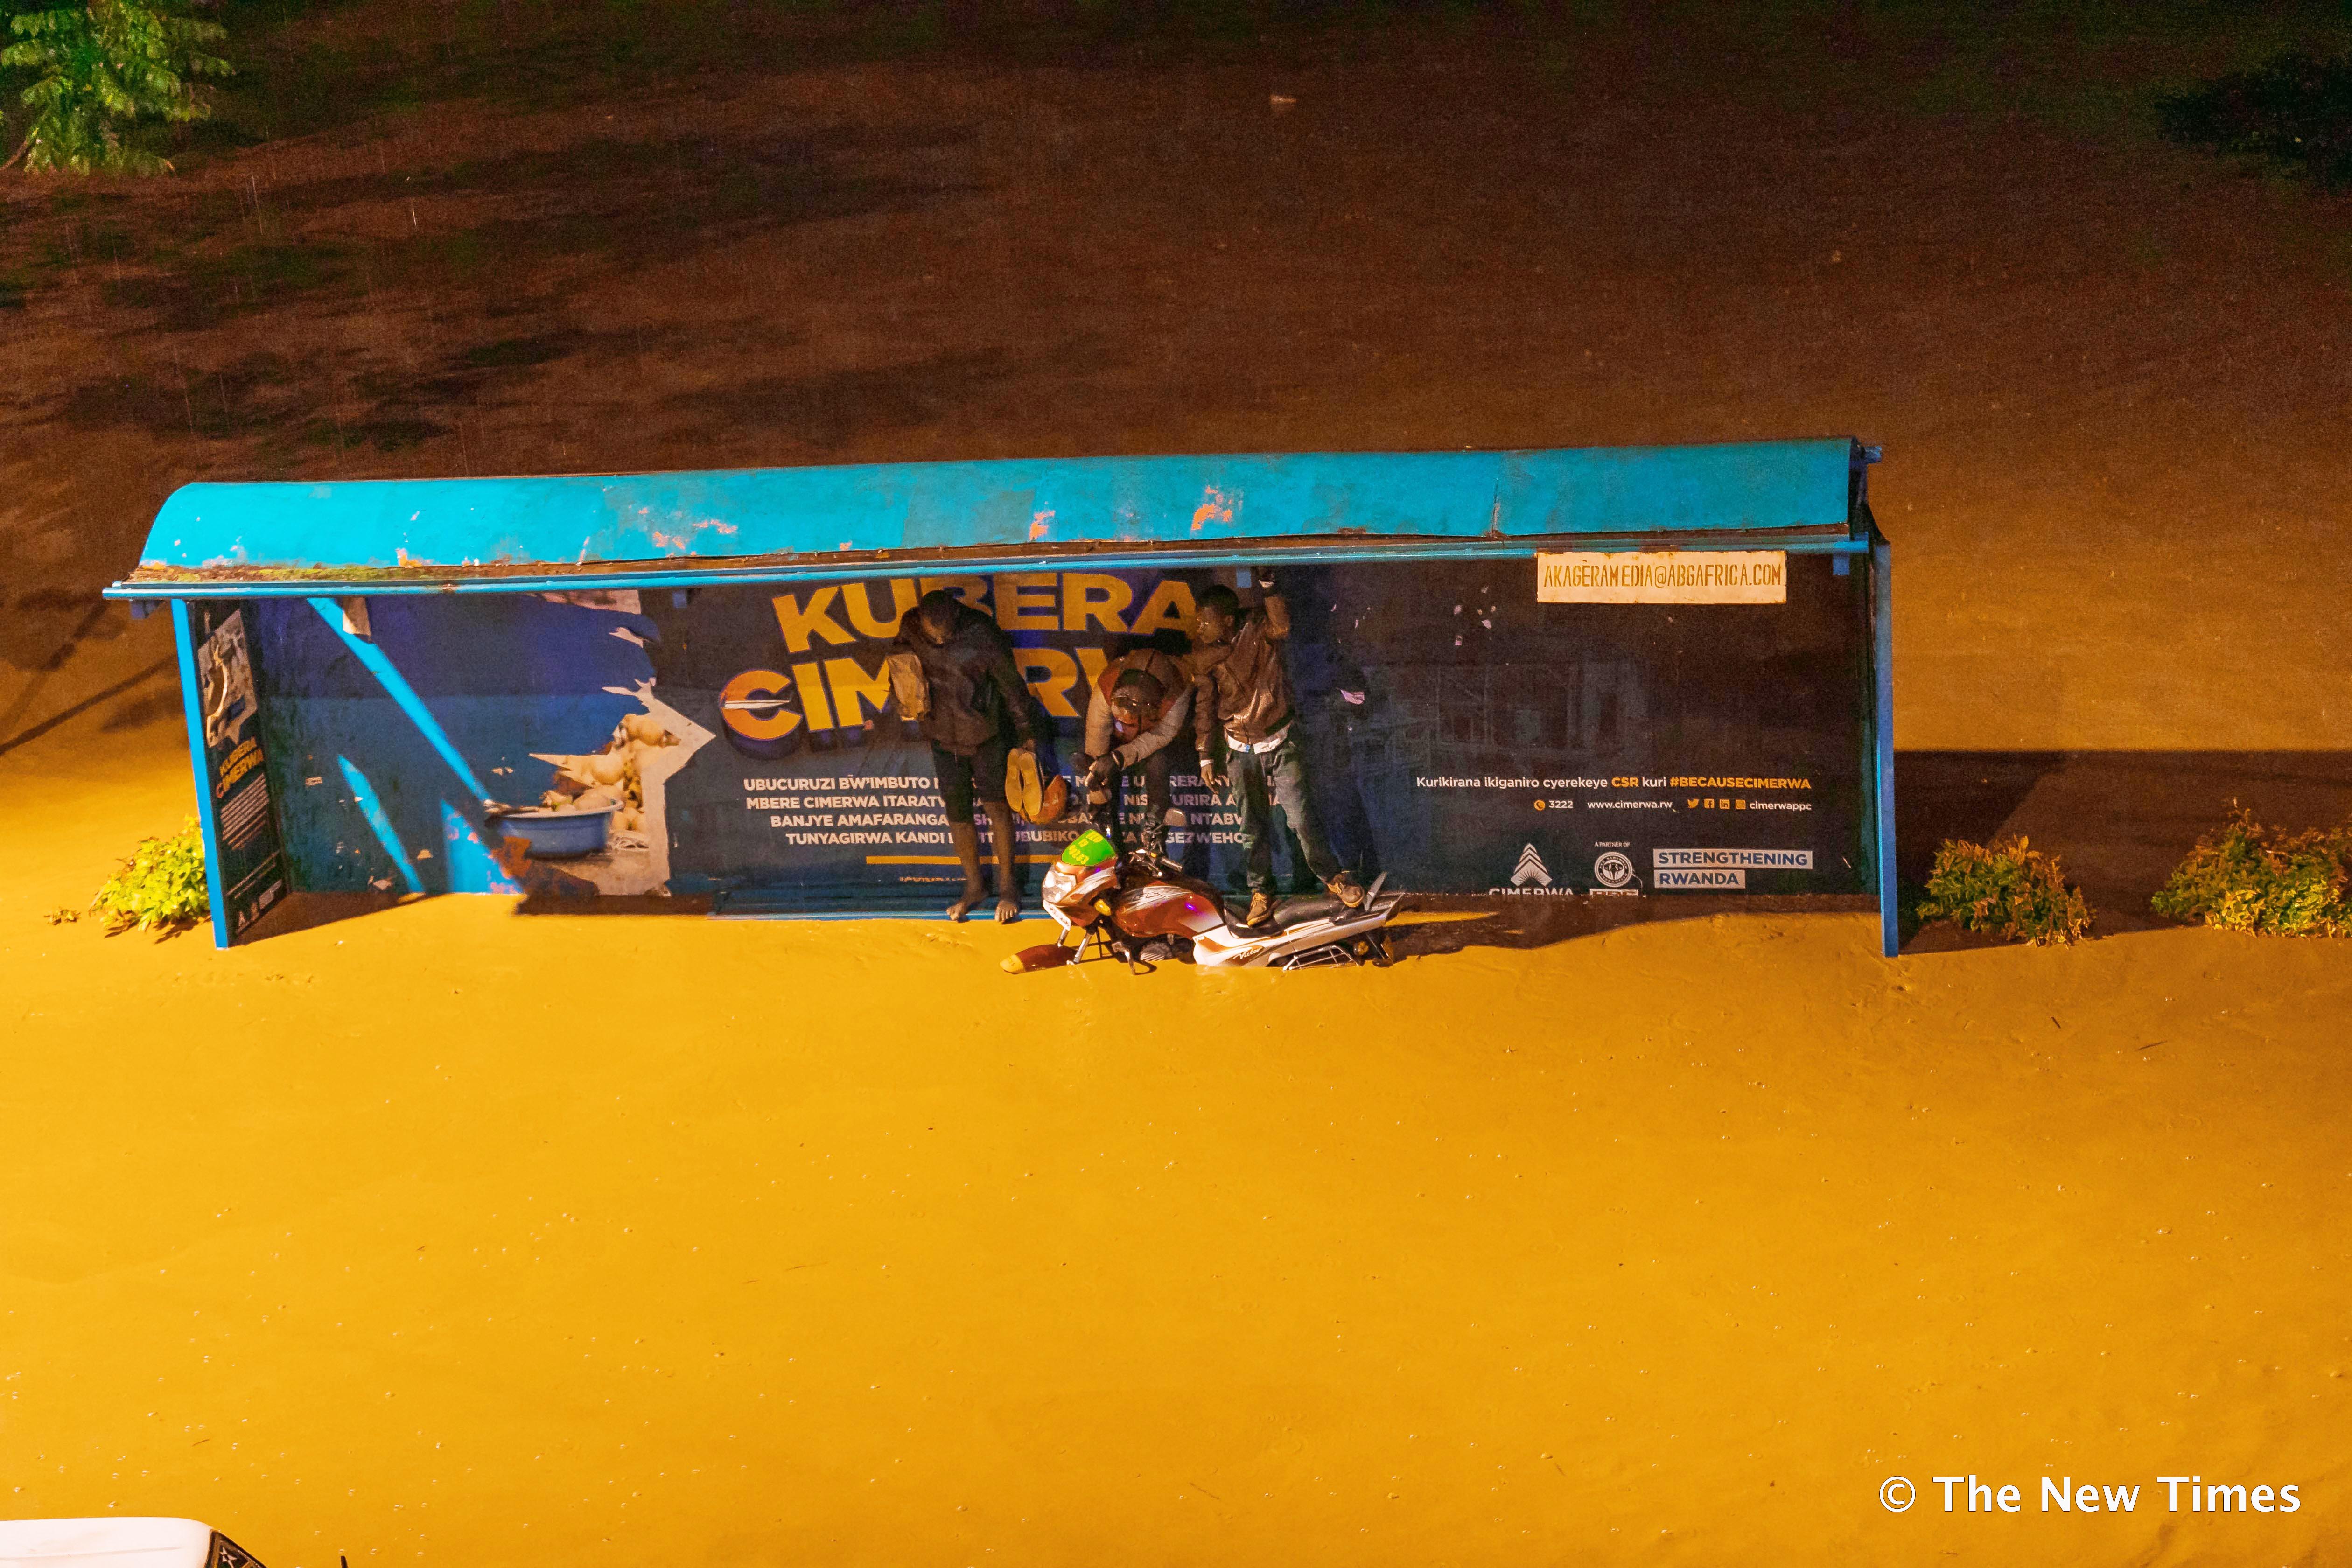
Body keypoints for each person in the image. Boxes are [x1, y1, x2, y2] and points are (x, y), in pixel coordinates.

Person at [1190, 570, 1364, 928]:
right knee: (1252, 827)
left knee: (1300, 819)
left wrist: (1269, 587)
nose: (1199, 629)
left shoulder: (1258, 629)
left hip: (1280, 739)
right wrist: (1206, 753)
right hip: (1238, 748)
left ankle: (1334, 878)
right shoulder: (1204, 655)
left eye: (1205, 622)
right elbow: (1205, 704)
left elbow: (1281, 626)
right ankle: (1262, 892)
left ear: (1226, 619)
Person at [893, 588, 1036, 922]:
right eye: (934, 630)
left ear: (957, 614)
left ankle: (1008, 888)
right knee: (957, 814)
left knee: (997, 809)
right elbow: (899, 664)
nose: (940, 636)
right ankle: (974, 887)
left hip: (986, 734)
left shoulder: (981, 632)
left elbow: (1012, 688)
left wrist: (1028, 735)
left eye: (946, 629)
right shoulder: (911, 626)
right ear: (922, 620)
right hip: (942, 736)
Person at [1075, 648, 1192, 861]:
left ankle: (1154, 835)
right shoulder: (1106, 685)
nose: (1122, 723)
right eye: (1118, 716)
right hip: (1116, 735)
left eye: (1128, 721)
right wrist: (1097, 786)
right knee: (1102, 774)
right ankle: (1108, 838)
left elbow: (1163, 734)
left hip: (1157, 738)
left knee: (1159, 762)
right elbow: (1097, 736)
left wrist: (1119, 758)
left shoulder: (1178, 691)